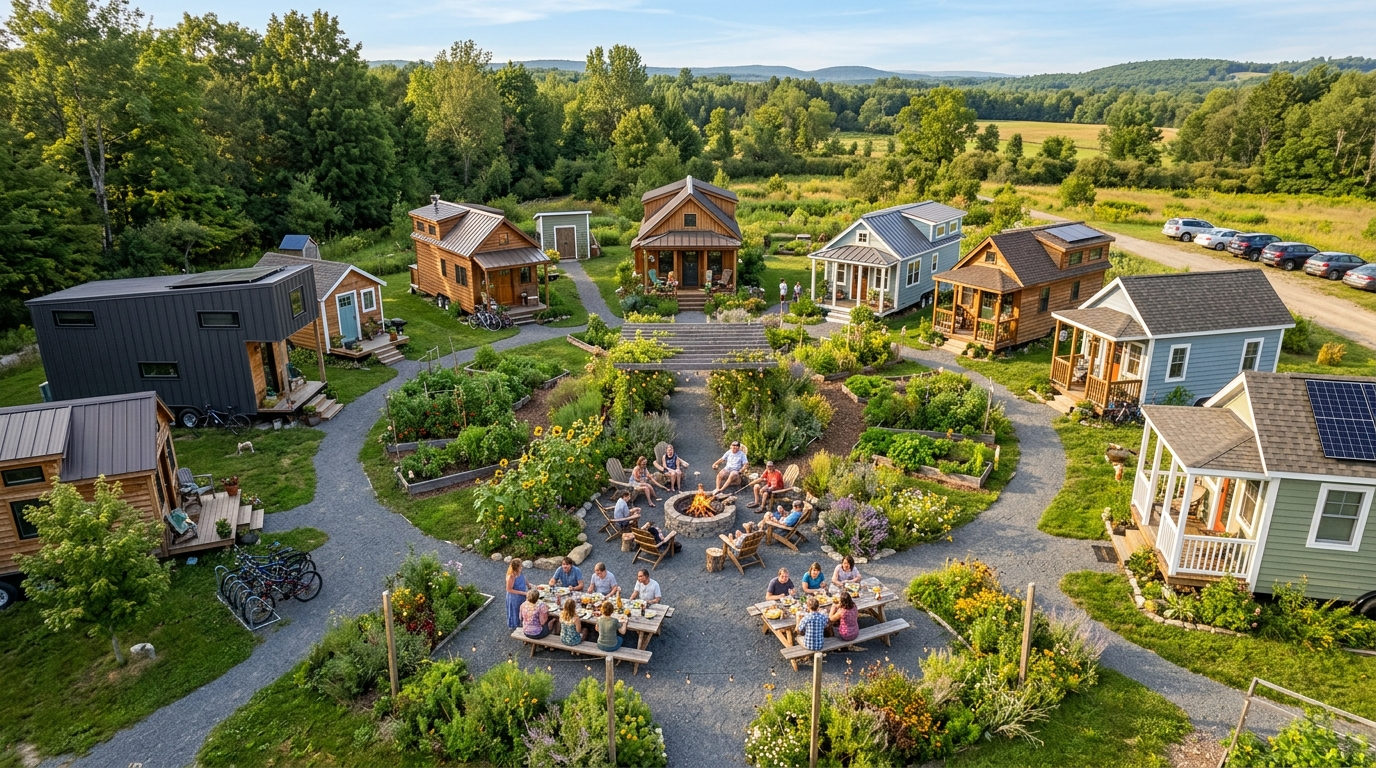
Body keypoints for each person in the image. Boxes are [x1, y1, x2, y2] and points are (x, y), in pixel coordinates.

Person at [505, 560, 528, 629]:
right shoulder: (511, 576)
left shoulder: (520, 572)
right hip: (514, 597)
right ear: (516, 567)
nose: (522, 567)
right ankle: (515, 625)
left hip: (522, 595)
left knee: (522, 610)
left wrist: (529, 585)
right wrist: (523, 593)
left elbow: (524, 579)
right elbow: (509, 589)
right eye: (520, 566)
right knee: (515, 611)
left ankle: (522, 623)